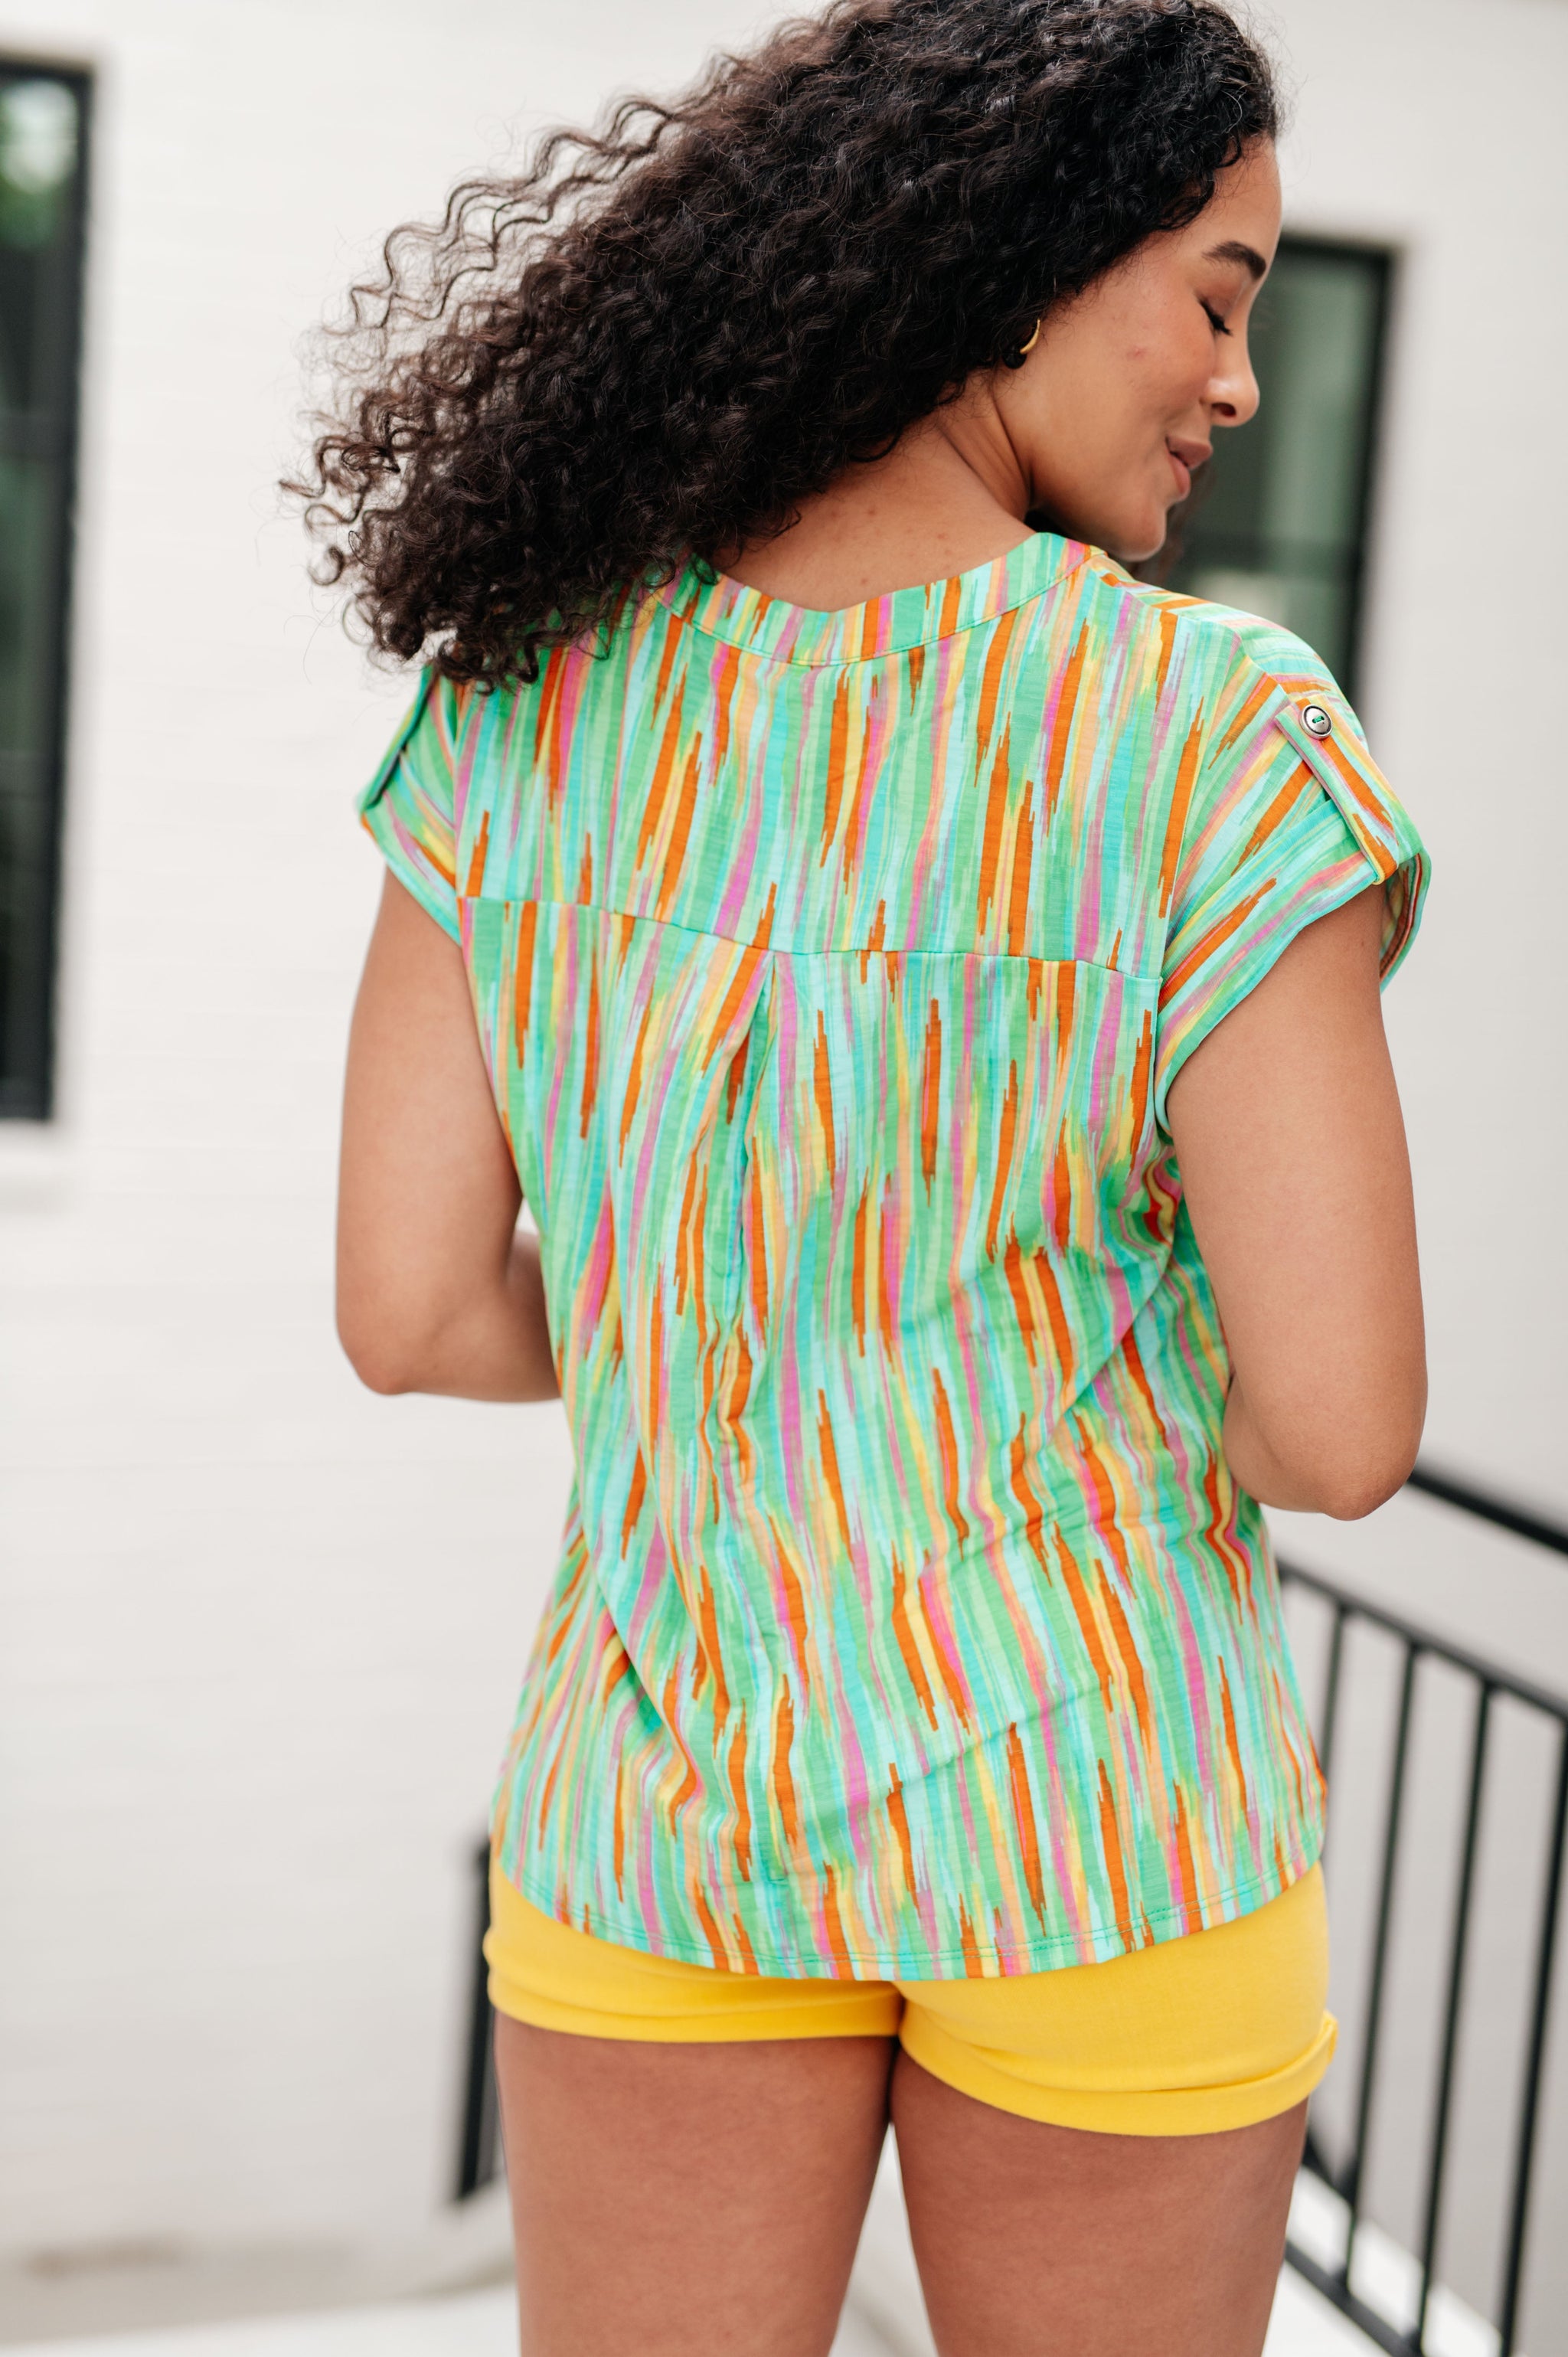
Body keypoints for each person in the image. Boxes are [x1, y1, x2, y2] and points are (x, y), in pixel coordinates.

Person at [305, 1, 1428, 2349]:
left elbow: (410, 1311)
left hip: (666, 1801)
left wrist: (754, 1352)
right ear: (1023, 257)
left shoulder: (523, 696)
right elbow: (1334, 1429)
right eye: (1217, 297)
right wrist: (1025, 1401)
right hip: (1110, 1819)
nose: (1243, 383)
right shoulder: (1212, 739)